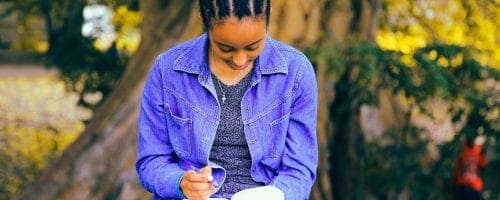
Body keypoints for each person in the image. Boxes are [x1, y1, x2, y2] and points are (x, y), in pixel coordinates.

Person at [136, 0, 318, 199]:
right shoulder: (168, 70)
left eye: (253, 47)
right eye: (225, 48)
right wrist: (180, 183)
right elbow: (151, 160)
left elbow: (299, 169)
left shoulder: (296, 71)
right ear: (203, 18)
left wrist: (277, 194)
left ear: (268, 18)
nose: (239, 60)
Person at [452, 134, 489, 200]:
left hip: (474, 186)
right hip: (463, 185)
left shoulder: (478, 151)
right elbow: (457, 166)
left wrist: (484, 154)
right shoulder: (462, 151)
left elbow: (483, 165)